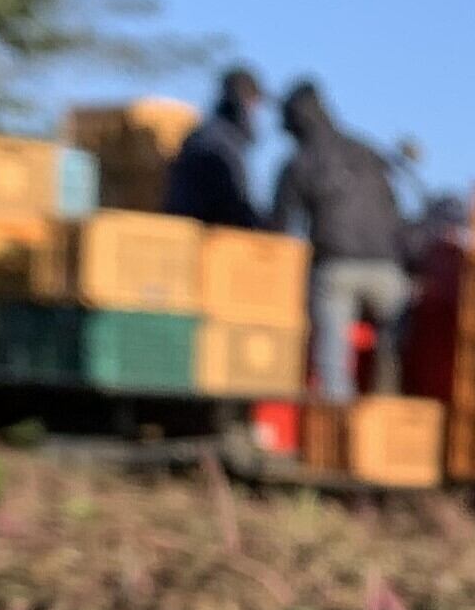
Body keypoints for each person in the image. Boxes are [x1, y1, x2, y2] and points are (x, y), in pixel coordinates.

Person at [266, 79, 410, 402]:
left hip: (336, 268)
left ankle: (338, 422)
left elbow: (280, 225)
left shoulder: (301, 162)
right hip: (388, 270)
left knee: (331, 357)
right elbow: (396, 212)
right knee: (397, 338)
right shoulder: (366, 151)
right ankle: (387, 405)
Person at [162, 68, 265, 228]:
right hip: (206, 235)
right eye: (254, 102)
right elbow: (231, 203)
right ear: (245, 102)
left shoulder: (206, 134)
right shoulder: (222, 143)